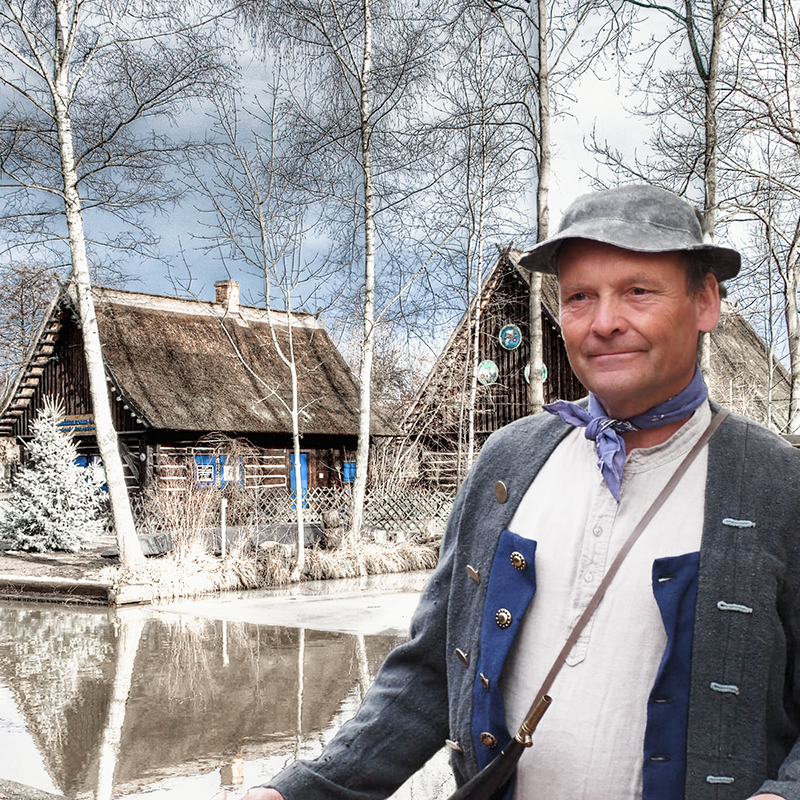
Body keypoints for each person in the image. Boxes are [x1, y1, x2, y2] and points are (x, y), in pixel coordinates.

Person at [243, 185, 800, 800]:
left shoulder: (776, 484)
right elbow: (434, 673)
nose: (606, 321)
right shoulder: (510, 461)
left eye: (638, 291)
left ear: (705, 302)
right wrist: (297, 790)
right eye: (581, 297)